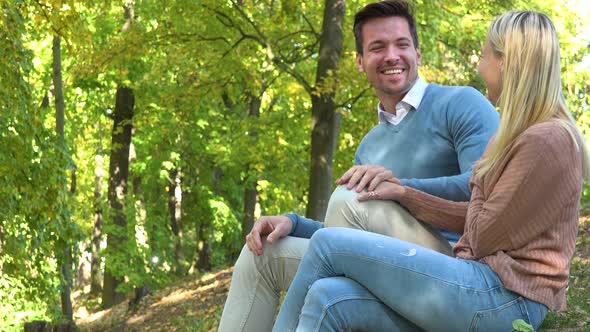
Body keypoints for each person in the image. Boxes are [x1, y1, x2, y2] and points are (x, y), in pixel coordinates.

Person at [273, 9, 590, 332]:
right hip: (484, 285)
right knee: (328, 296)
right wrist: (407, 195)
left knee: (329, 245)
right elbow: (480, 221)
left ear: (506, 62)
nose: (480, 68)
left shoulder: (546, 139)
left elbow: (479, 236)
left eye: (484, 56)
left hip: (507, 299)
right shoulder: (527, 134)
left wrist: (481, 172)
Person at [218, 1, 499, 331]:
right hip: (382, 263)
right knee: (262, 254)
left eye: (402, 45)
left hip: (452, 270)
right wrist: (293, 224)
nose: (392, 55)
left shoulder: (461, 103)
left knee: (349, 197)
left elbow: (484, 189)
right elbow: (343, 235)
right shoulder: (370, 144)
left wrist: (399, 188)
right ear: (360, 62)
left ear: (418, 55)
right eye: (377, 47)